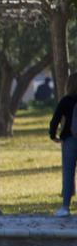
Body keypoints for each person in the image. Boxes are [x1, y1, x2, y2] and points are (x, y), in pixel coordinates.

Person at [48, 73, 77, 217]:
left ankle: (65, 207)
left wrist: (53, 135)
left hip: (69, 140)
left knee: (68, 173)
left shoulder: (66, 101)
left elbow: (55, 119)